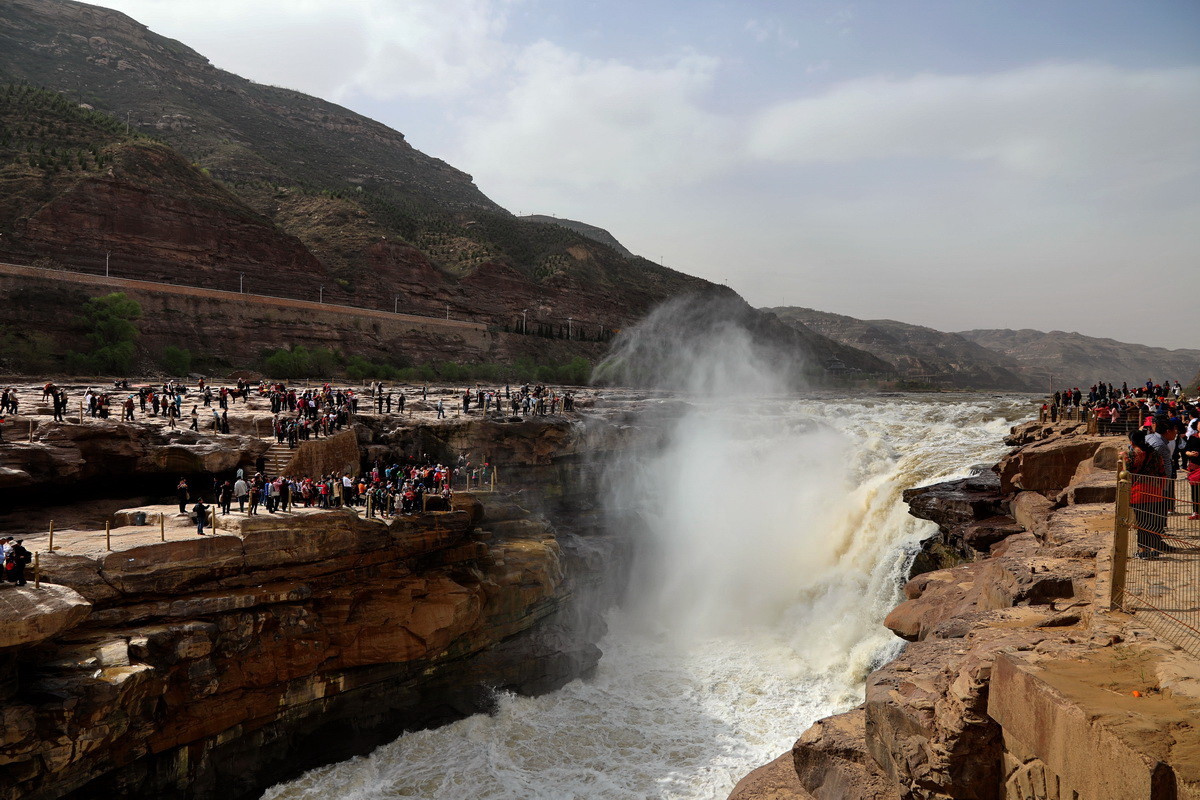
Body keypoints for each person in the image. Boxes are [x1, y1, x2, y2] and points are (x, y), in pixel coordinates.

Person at [1128, 430, 1167, 559]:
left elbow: (1127, 472)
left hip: (1139, 492)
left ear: (1132, 442)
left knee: (1142, 523)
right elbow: (1162, 471)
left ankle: (1143, 550)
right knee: (1153, 522)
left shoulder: (1133, 455)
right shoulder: (1155, 454)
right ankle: (1155, 548)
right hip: (1156, 491)